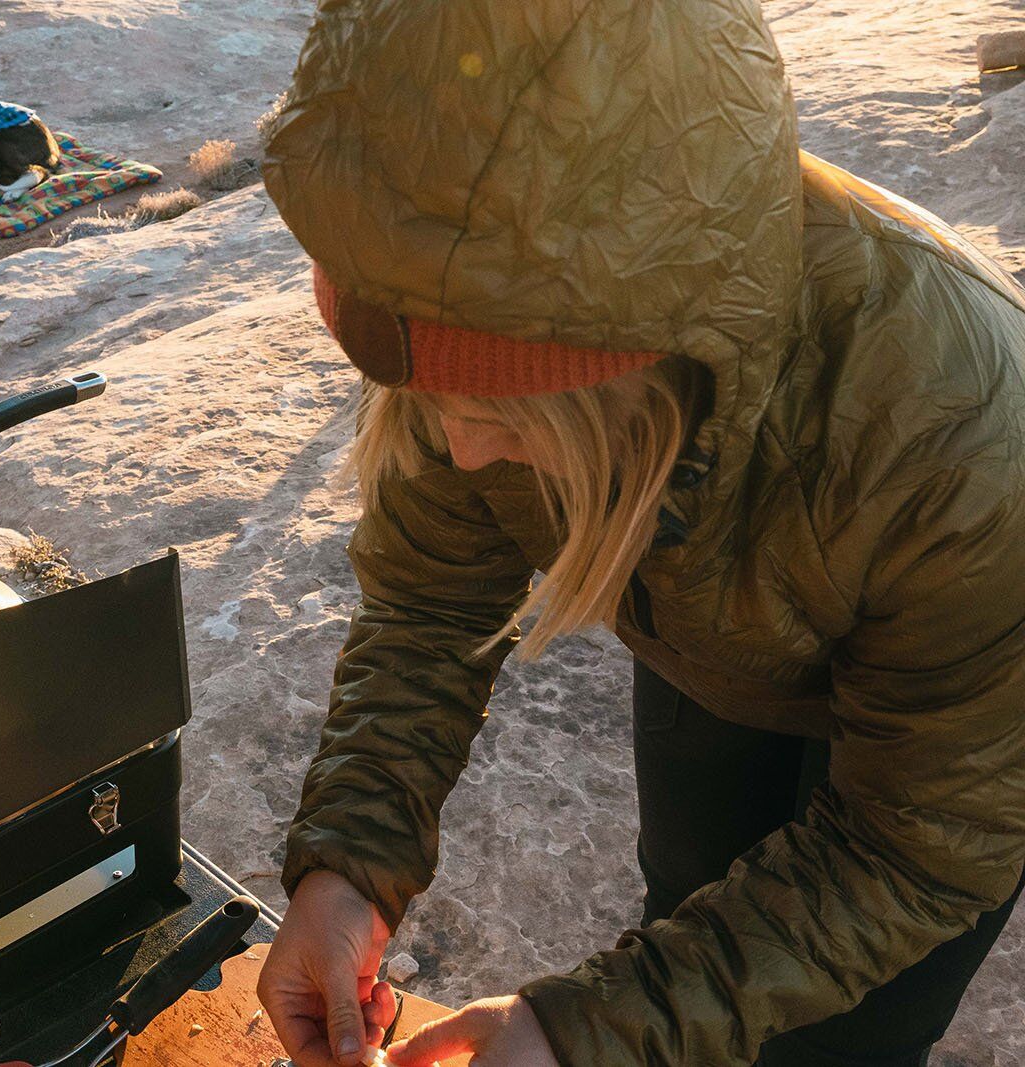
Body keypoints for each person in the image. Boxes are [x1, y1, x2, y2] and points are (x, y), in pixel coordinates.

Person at [252, 0, 1025, 1064]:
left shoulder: (966, 435)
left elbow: (915, 852)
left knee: (842, 1032)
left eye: (505, 418)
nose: (463, 453)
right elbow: (430, 607)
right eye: (431, 404)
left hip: (952, 742)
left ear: (659, 359)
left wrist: (585, 1033)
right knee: (693, 901)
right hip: (721, 654)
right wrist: (349, 863)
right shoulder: (468, 313)